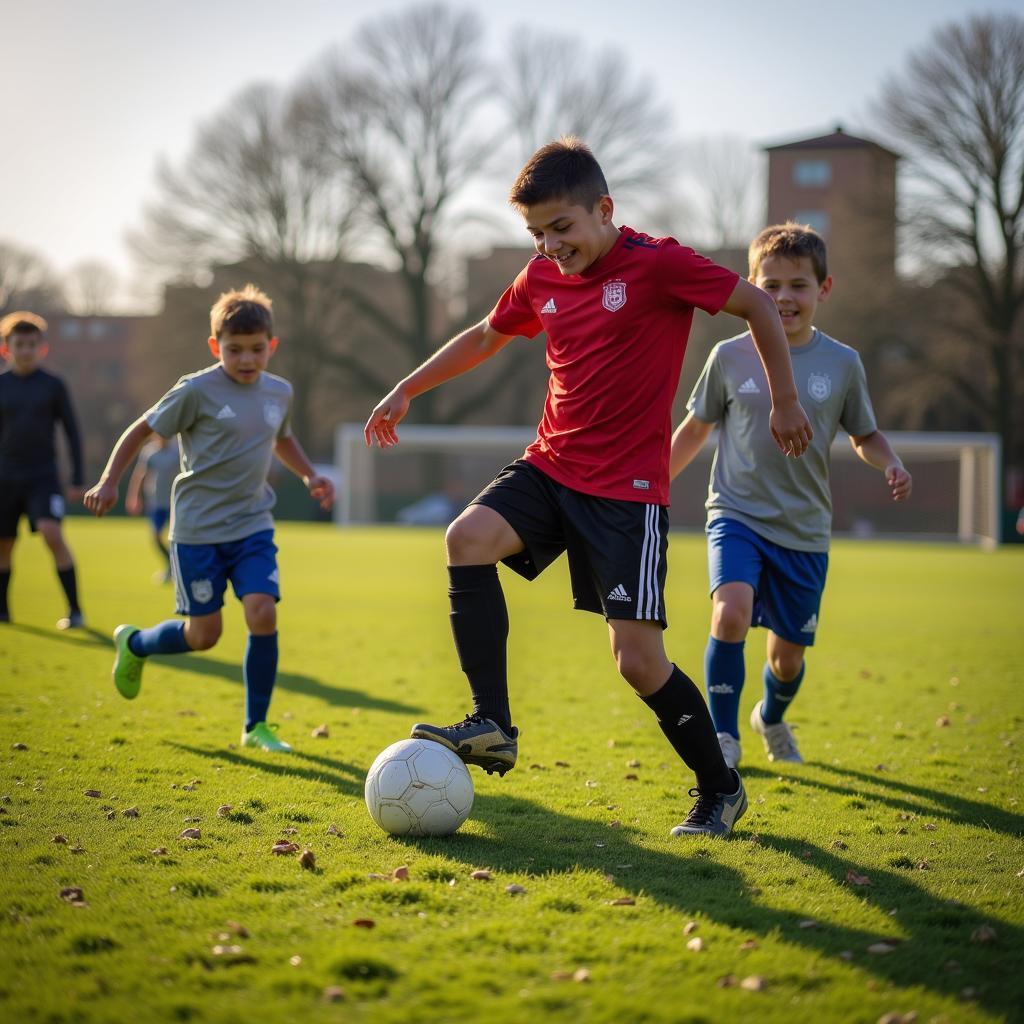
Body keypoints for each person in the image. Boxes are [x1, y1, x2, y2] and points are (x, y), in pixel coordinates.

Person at [364, 138, 813, 837]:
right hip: (551, 466)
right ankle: (493, 723)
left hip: (627, 494)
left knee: (637, 662)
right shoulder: (541, 278)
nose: (549, 245)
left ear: (604, 209)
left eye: (561, 228)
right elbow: (486, 335)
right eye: (535, 233)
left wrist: (785, 400)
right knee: (466, 539)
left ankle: (720, 787)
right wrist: (405, 388)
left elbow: (756, 304)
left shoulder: (658, 263)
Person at [670, 222, 912, 769]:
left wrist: (890, 462)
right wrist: (652, 485)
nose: (783, 297)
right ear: (750, 288)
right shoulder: (729, 357)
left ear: (823, 290)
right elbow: (694, 429)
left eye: (798, 285)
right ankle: (723, 739)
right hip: (735, 514)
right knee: (729, 613)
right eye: (770, 285)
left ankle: (771, 717)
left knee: (786, 659)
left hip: (804, 529)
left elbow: (864, 434)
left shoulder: (843, 363)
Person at [83, 285, 334, 752]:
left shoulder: (280, 391)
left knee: (262, 610)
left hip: (253, 526)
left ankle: (255, 725)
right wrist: (109, 480)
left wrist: (310, 475)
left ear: (271, 347)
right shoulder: (194, 390)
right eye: (234, 350)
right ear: (215, 347)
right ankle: (136, 644)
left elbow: (282, 438)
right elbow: (141, 429)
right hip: (197, 532)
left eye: (256, 350)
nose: (246, 360)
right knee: (204, 635)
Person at [0, 311, 86, 629]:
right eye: (19, 344)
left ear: (42, 348)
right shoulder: (2, 385)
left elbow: (73, 432)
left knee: (52, 534)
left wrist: (77, 479)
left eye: (32, 344)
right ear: (6, 348)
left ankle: (75, 610)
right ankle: (3, 610)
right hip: (5, 478)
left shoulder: (53, 385)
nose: (26, 350)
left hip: (42, 477)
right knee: (4, 545)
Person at [125, 435, 180, 583]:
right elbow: (140, 475)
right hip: (156, 501)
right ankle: (171, 566)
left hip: (175, 502)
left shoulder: (177, 451)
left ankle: (177, 570)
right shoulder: (149, 452)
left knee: (177, 538)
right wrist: (134, 497)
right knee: (155, 536)